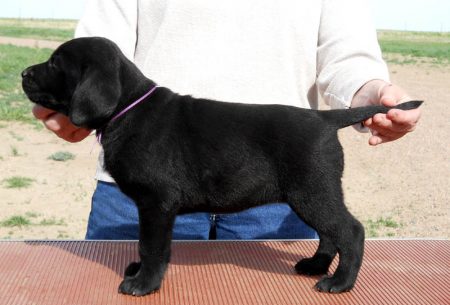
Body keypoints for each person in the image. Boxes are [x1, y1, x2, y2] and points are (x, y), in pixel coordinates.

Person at [32, 0, 421, 240]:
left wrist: (371, 91)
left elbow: (346, 55)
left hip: (273, 185)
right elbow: (99, 50)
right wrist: (71, 105)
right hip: (140, 185)